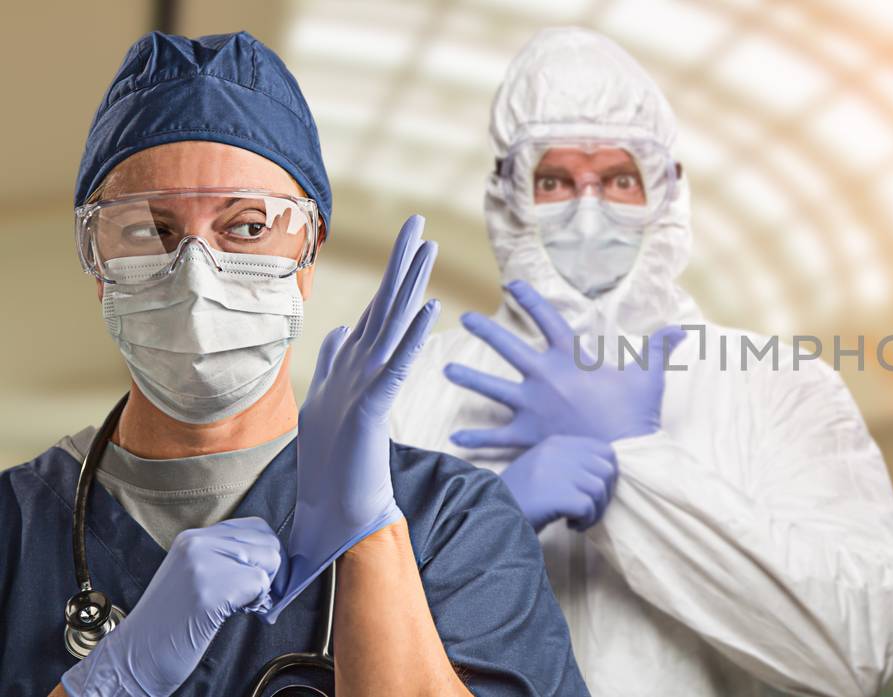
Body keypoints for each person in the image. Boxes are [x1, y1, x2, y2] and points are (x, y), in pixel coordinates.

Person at [0, 31, 586, 695]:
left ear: (307, 256)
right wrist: (107, 682)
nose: (196, 276)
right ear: (97, 262)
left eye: (248, 226)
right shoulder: (12, 532)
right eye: (148, 229)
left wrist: (372, 542)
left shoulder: (451, 523)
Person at [390, 28, 893, 696]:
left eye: (618, 179)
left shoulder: (775, 385)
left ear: (666, 193)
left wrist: (633, 467)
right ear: (506, 195)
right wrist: (486, 532)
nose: (589, 210)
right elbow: (332, 647)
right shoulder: (412, 389)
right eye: (554, 180)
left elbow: (856, 650)